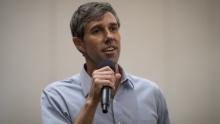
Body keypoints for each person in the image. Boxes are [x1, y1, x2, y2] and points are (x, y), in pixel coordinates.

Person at [41, 2, 170, 124]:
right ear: (79, 44)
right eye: (97, 30)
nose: (109, 36)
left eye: (113, 28)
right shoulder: (56, 96)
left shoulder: (151, 92)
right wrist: (91, 102)